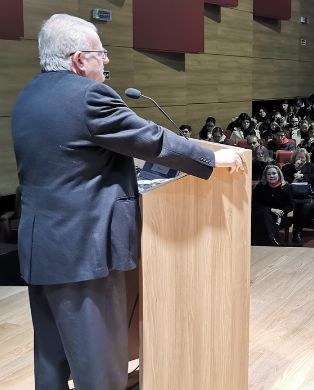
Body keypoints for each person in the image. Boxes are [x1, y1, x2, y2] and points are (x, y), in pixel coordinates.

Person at [10, 14, 245, 390]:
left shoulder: (28, 96)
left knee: (51, 361)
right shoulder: (89, 96)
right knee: (99, 368)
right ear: (77, 60)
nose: (106, 60)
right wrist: (208, 157)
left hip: (42, 249)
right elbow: (149, 138)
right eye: (100, 53)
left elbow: (74, 162)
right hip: (85, 254)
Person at [282, 148, 314, 242]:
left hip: (307, 195)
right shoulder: (288, 167)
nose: (301, 160)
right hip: (292, 195)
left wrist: (303, 176)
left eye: (303, 158)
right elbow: (283, 177)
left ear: (307, 158)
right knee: (294, 205)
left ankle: (297, 231)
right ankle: (294, 230)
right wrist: (295, 168)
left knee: (307, 205)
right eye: (299, 157)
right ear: (294, 158)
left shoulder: (312, 167)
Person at [251, 164, 293, 246]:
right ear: (265, 176)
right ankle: (272, 239)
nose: (271, 176)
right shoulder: (260, 187)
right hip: (263, 214)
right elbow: (256, 204)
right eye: (269, 174)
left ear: (279, 175)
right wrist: (271, 209)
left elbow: (291, 205)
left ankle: (271, 239)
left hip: (279, 216)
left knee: (265, 218)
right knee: (263, 215)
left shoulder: (286, 187)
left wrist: (281, 212)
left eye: (274, 173)